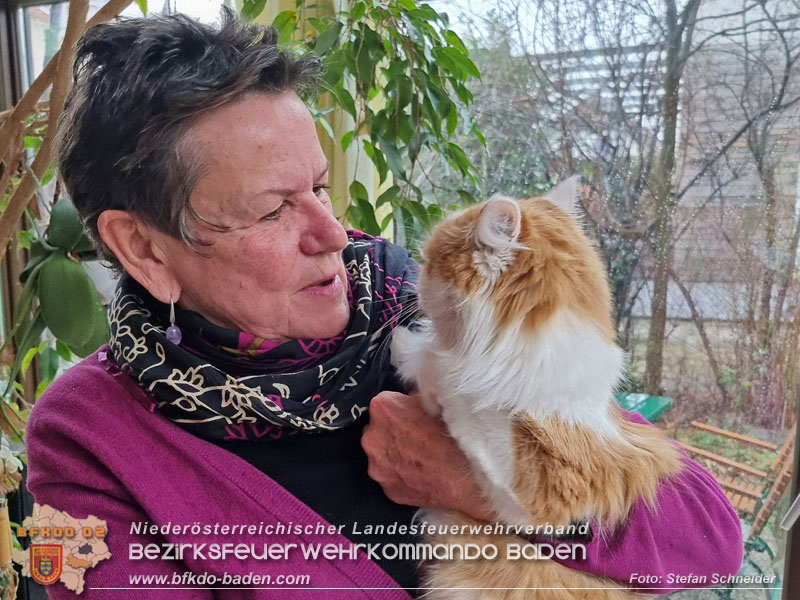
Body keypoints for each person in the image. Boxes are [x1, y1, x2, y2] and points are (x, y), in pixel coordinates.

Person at [24, 10, 743, 599]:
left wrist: (486, 489)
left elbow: (704, 541)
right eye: (275, 210)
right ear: (144, 249)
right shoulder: (90, 438)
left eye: (320, 186)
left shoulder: (418, 306)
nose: (334, 235)